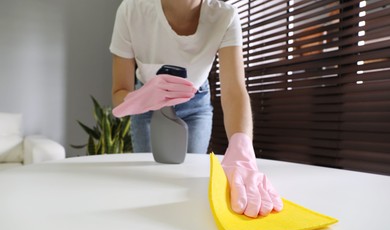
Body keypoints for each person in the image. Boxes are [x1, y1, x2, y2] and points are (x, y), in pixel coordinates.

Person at [110, 0, 283, 218]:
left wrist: (242, 146)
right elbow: (119, 95)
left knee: (187, 177)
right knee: (148, 178)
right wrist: (138, 99)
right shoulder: (131, 10)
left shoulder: (225, 16)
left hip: (195, 101)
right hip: (147, 102)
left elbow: (233, 91)